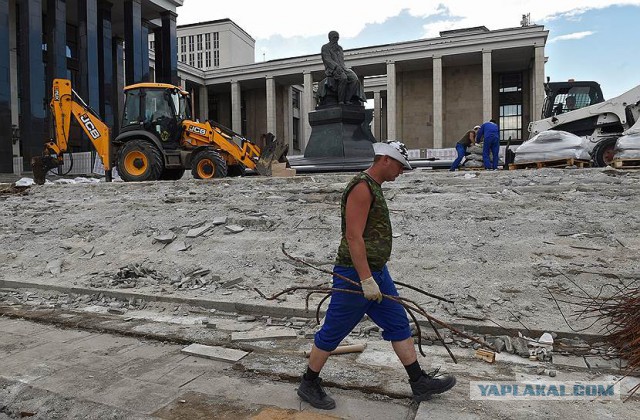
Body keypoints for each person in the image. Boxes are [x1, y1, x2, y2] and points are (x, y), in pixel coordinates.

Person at [297, 140, 456, 410]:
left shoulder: (375, 187)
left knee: (397, 324)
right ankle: (308, 383)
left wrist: (374, 276)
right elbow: (353, 236)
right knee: (334, 330)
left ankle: (418, 381)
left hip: (377, 272)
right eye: (399, 166)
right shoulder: (361, 187)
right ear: (385, 160)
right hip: (355, 273)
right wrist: (365, 279)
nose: (401, 172)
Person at [321, 31, 361, 105]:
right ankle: (341, 101)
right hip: (332, 69)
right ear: (330, 38)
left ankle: (347, 99)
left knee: (354, 79)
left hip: (343, 68)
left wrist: (343, 68)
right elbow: (327, 59)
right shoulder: (325, 47)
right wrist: (336, 67)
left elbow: (341, 60)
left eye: (337, 38)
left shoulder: (340, 48)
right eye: (334, 37)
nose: (336, 39)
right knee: (343, 78)